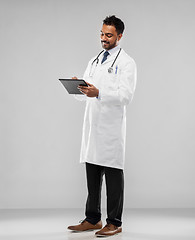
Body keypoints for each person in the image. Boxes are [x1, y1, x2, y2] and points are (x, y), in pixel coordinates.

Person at [67, 15, 137, 237]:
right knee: (92, 175)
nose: (104, 38)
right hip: (92, 128)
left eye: (109, 35)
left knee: (113, 178)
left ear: (120, 36)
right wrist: (79, 88)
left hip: (111, 131)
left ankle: (114, 222)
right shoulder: (95, 60)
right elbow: (88, 94)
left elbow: (125, 96)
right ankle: (92, 218)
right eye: (102, 34)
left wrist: (99, 93)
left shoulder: (127, 63)